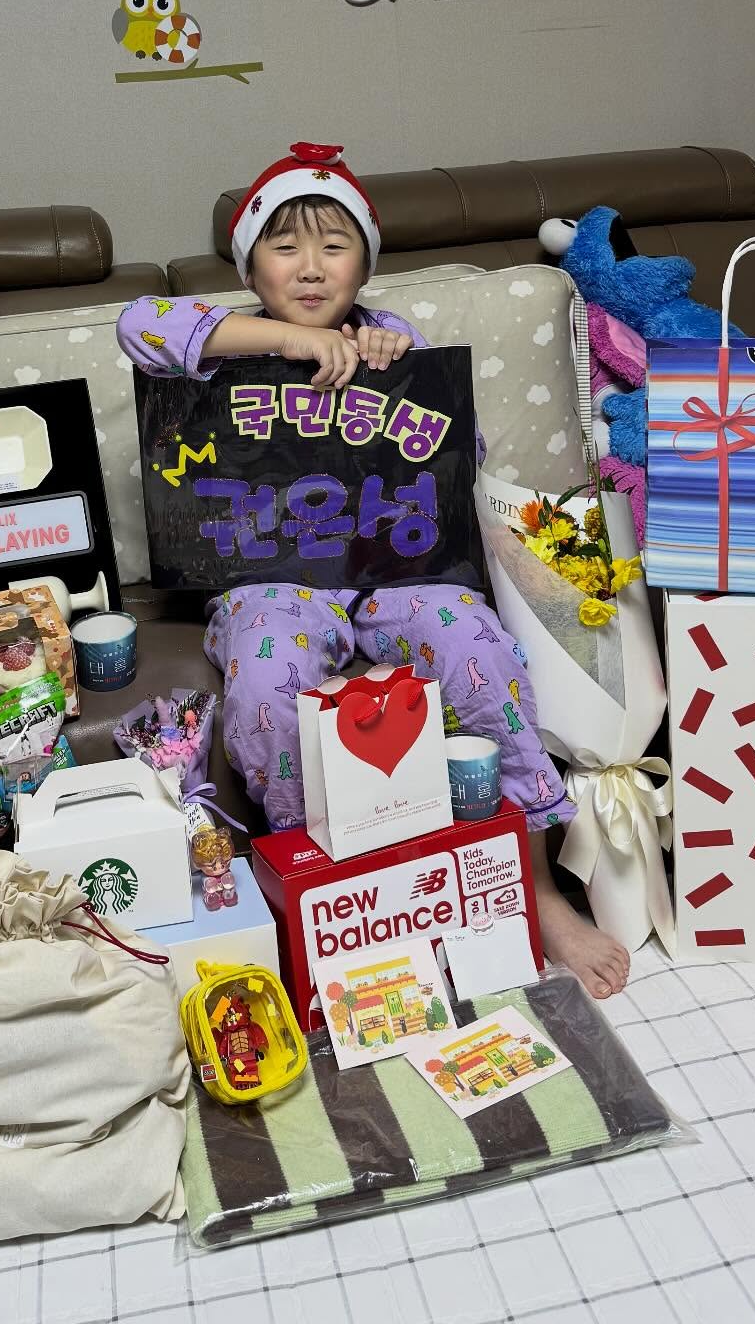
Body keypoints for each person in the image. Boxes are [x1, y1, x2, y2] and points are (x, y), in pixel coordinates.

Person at [117, 142, 631, 1001]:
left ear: (365, 263)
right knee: (265, 677)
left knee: (477, 648)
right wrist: (290, 340)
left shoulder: (396, 339)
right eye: (285, 247)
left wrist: (402, 372)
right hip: (274, 580)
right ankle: (314, 880)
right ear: (249, 266)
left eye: (334, 246)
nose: (310, 267)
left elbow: (459, 458)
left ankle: (536, 885)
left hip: (401, 570)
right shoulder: (219, 345)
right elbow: (140, 322)